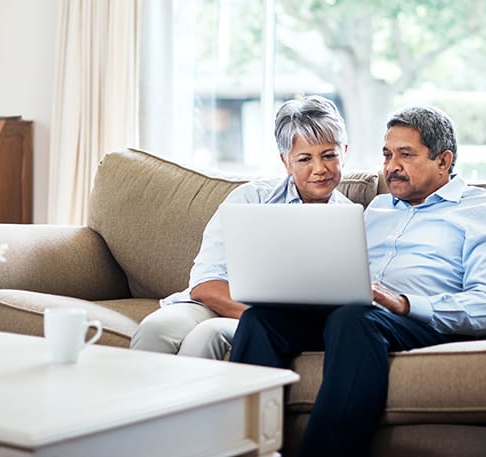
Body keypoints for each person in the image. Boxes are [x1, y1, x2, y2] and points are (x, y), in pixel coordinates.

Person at [228, 106, 486, 456]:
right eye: (387, 154)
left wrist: (405, 303)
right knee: (262, 320)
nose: (391, 166)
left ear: (443, 160)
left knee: (353, 318)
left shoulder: (483, 211)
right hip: (356, 314)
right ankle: (242, 449)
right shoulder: (377, 208)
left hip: (419, 321)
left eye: (405, 155)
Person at [130, 95, 353, 359]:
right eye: (305, 159)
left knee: (206, 337)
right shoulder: (251, 199)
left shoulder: (351, 220)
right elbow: (204, 284)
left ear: (344, 152)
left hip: (268, 323)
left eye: (329, 155)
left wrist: (270, 322)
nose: (320, 169)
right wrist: (261, 317)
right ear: (286, 162)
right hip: (217, 305)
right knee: (155, 329)